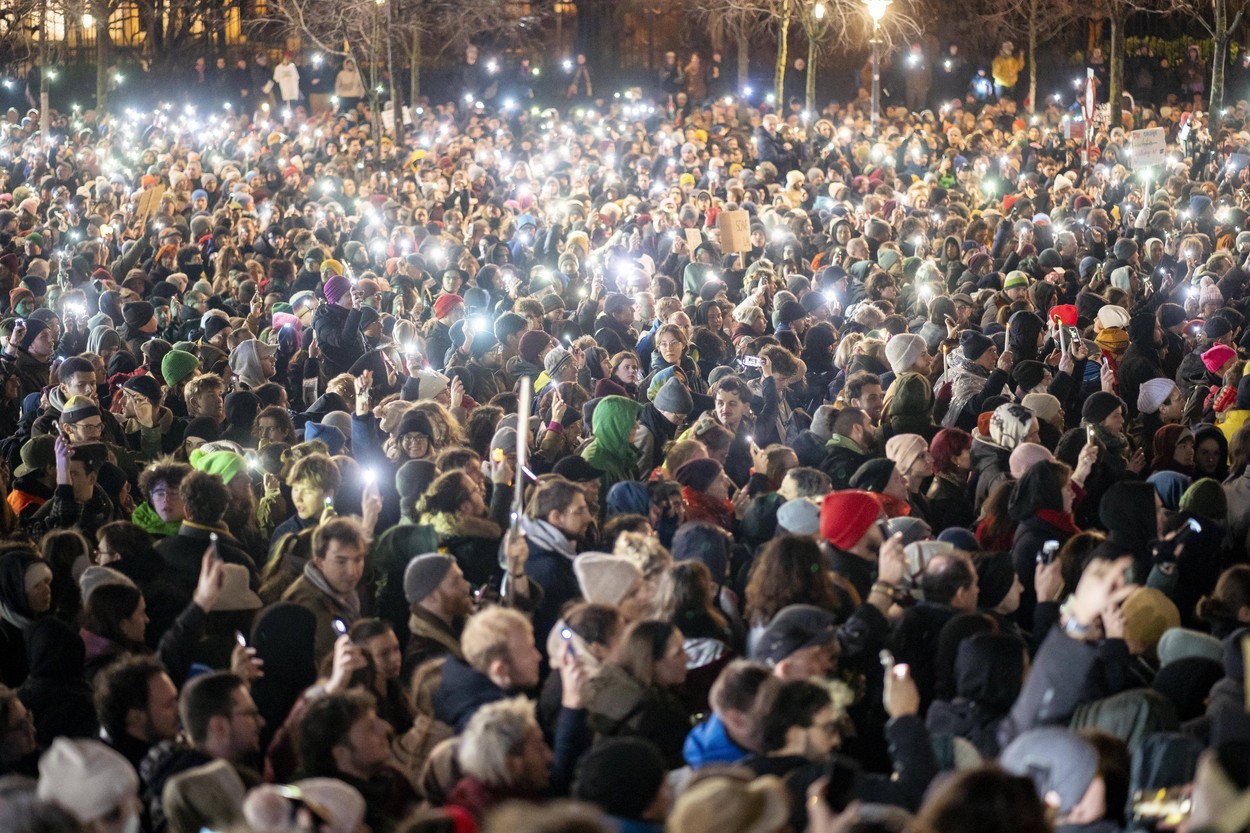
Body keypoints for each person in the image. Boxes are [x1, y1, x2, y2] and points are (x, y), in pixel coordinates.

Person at [281, 515, 370, 664]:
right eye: (341, 561)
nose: (352, 571)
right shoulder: (308, 603)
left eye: (358, 559)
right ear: (319, 561)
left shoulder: (343, 592)